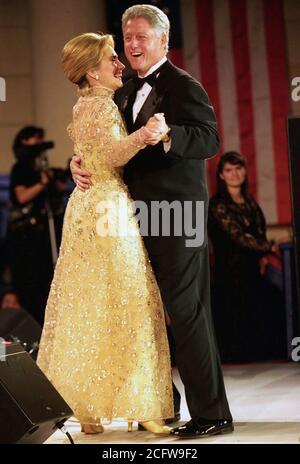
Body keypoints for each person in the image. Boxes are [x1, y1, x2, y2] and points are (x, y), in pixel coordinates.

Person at [71, 5, 233, 438]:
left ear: (163, 40)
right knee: (142, 315)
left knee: (186, 313)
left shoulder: (183, 86)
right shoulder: (120, 91)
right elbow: (109, 146)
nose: (134, 45)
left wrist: (169, 134)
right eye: (128, 38)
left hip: (179, 216)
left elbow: (211, 139)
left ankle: (212, 414)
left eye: (142, 36)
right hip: (132, 218)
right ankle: (162, 405)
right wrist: (78, 162)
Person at [37, 32, 174, 436]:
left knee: (87, 303)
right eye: (112, 59)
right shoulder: (100, 106)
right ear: (92, 73)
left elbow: (90, 152)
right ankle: (141, 405)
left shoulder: (86, 104)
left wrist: (80, 160)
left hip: (85, 209)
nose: (119, 64)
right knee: (129, 299)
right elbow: (113, 154)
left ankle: (88, 408)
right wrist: (148, 132)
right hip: (108, 209)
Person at [208, 151, 286, 363]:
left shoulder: (250, 202)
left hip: (253, 270)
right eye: (228, 170)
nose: (234, 174)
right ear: (221, 176)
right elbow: (238, 237)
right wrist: (269, 247)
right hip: (230, 274)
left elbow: (258, 233)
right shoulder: (217, 204)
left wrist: (263, 255)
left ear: (245, 171)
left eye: (238, 168)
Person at [8, 126, 55, 325]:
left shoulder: (39, 167)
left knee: (45, 284)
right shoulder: (20, 168)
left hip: (42, 233)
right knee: (31, 286)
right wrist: (42, 184)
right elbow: (21, 196)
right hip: (26, 237)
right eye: (33, 139)